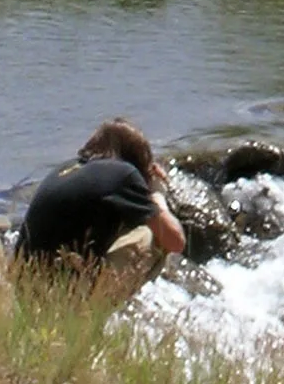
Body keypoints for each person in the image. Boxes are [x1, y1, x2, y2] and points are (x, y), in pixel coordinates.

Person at [15, 119, 186, 279]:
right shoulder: (123, 173)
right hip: (62, 293)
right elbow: (175, 241)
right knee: (153, 236)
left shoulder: (66, 169)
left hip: (26, 286)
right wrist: (157, 193)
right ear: (137, 160)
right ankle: (95, 306)